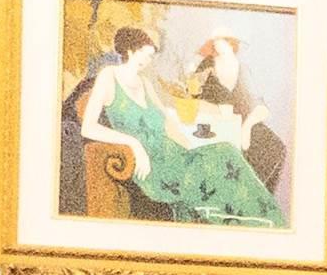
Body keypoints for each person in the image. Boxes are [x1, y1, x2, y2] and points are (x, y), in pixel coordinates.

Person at [71, 28, 284, 229]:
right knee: (214, 165)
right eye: (144, 55)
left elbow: (166, 116)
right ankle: (257, 224)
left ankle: (266, 220)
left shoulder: (144, 82)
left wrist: (195, 136)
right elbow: (87, 128)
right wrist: (134, 144)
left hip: (173, 152)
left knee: (223, 150)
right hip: (154, 165)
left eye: (150, 57)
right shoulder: (109, 76)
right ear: (130, 51)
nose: (147, 61)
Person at [188, 31, 288, 205]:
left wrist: (247, 127)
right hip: (213, 122)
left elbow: (260, 106)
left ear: (232, 44)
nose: (220, 44)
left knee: (275, 146)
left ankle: (257, 199)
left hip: (241, 123)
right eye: (217, 40)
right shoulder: (207, 64)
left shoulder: (243, 69)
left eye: (225, 40)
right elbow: (192, 95)